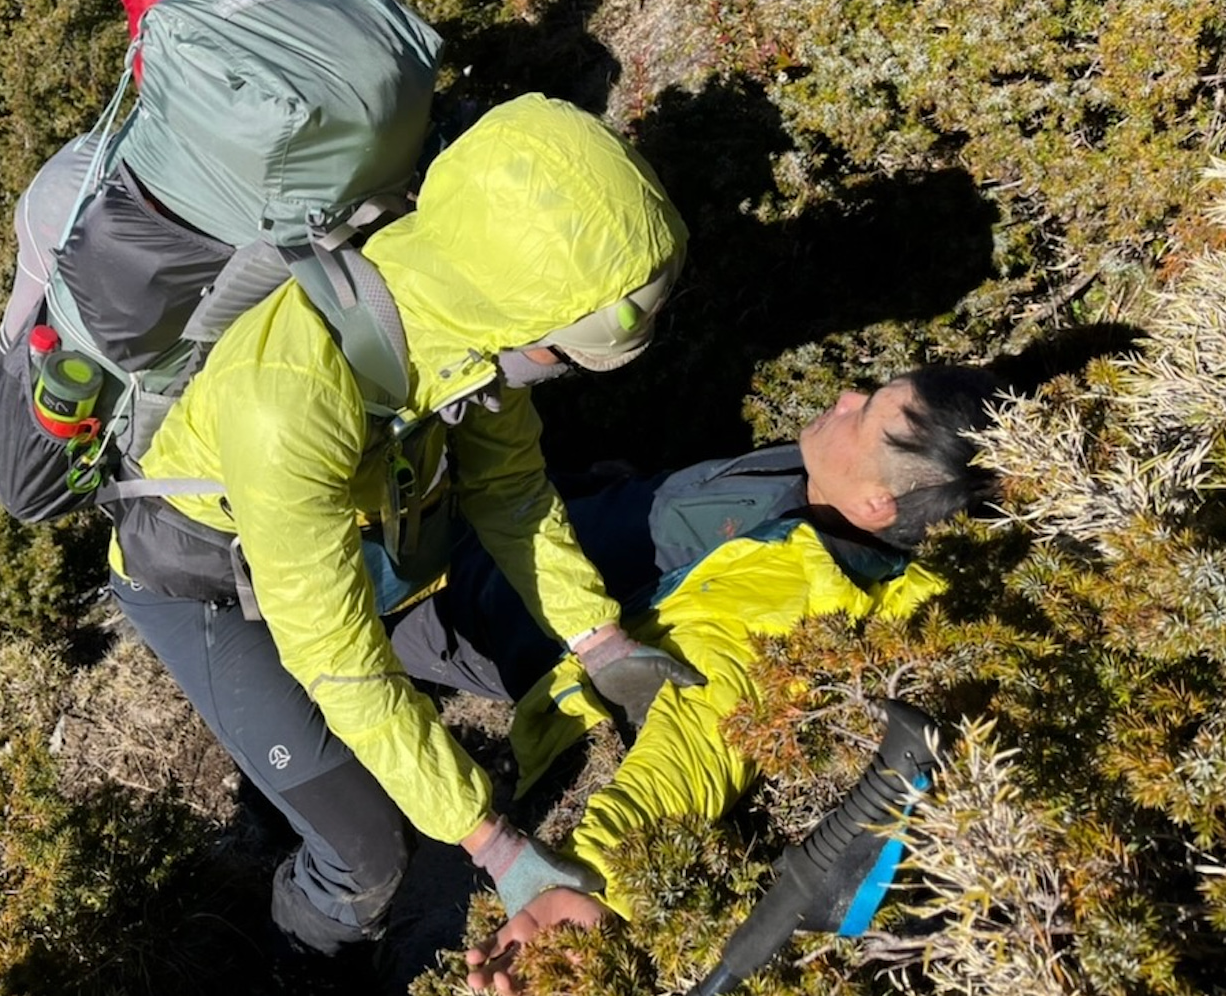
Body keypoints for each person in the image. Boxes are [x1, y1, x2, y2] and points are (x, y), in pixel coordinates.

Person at [106, 93, 692, 977]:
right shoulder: (292, 397)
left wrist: (600, 640)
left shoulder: (461, 325)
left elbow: (510, 488)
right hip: (201, 584)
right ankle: (303, 958)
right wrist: (500, 849)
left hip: (333, 553)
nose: (563, 375)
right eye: (565, 355)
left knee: (350, 741)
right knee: (370, 853)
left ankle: (291, 787)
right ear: (520, 319)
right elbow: (340, 659)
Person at [397, 365, 1004, 994]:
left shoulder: (790, 604)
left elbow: (703, 737)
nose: (847, 395)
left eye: (866, 411)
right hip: (556, 521)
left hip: (477, 617)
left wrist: (594, 884)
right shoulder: (824, 496)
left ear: (877, 504)